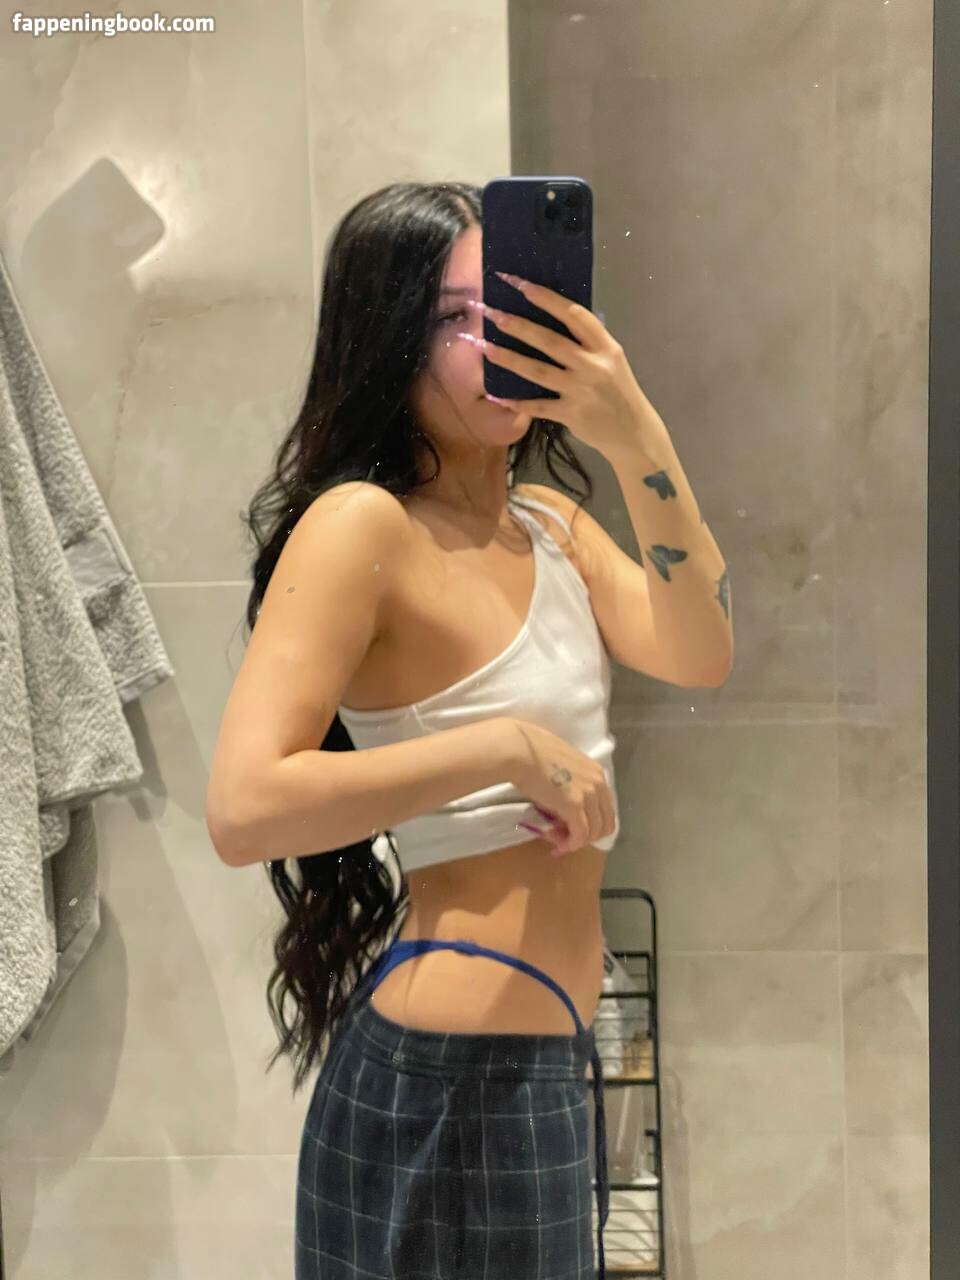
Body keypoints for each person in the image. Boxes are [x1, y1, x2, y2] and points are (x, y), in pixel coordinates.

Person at [206, 180, 721, 1278]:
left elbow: (702, 649)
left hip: (538, 1064)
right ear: (389, 340)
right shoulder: (364, 526)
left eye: (509, 303)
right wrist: (499, 749)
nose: (494, 337)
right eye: (453, 317)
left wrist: (636, 432)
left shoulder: (553, 526)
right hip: (447, 1079)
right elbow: (245, 808)